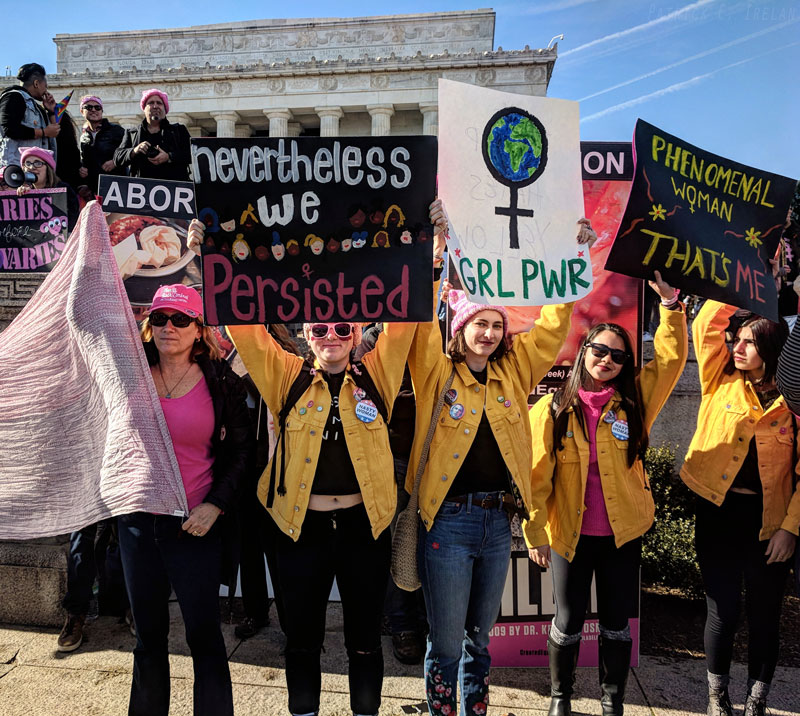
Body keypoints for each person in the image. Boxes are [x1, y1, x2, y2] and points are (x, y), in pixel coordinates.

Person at [186, 211, 425, 716]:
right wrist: (212, 255)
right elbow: (245, 326)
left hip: (366, 527)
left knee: (364, 639)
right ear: (308, 331)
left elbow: (404, 322)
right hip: (298, 529)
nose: (333, 334)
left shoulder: (377, 373)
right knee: (301, 639)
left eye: (344, 326)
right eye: (322, 326)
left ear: (358, 329)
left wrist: (429, 243)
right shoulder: (287, 375)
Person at [405, 209, 595, 716]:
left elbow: (554, 328)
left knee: (479, 643)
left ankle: (476, 711)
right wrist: (435, 251)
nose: (487, 333)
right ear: (461, 327)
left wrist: (574, 256)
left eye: (495, 324)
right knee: (446, 645)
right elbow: (419, 323)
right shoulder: (434, 373)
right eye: (478, 323)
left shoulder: (515, 371)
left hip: (496, 523)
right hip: (446, 522)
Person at [525, 272, 687, 716]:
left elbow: (671, 361)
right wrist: (535, 530)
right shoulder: (553, 408)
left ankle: (612, 698)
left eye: (618, 354)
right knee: (567, 621)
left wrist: (671, 308)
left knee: (616, 623)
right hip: (569, 535)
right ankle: (561, 697)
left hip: (623, 533)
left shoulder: (635, 401)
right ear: (584, 353)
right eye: (599, 350)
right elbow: (537, 476)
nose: (607, 359)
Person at [118, 284, 252, 716]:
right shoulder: (129, 371)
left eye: (179, 320)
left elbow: (242, 451)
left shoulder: (220, 381)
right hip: (138, 524)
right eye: (159, 318)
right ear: (148, 325)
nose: (168, 328)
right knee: (148, 639)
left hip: (194, 526)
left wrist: (216, 504)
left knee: (204, 637)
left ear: (199, 329)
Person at [682, 299, 799, 716]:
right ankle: (717, 698)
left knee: (766, 613)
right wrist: (741, 278)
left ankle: (757, 702)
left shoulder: (794, 402)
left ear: (771, 347)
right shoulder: (720, 377)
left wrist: (790, 528)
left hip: (770, 523)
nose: (738, 347)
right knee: (723, 608)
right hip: (718, 513)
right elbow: (706, 324)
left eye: (750, 342)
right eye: (738, 339)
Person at [114, 89, 191, 181]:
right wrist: (134, 151)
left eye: (159, 103)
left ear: (165, 109)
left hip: (173, 187)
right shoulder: (132, 133)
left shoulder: (179, 131)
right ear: (144, 109)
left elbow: (192, 154)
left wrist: (169, 156)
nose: (155, 106)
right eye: (150, 103)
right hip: (141, 189)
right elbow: (117, 158)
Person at [0, 63, 59, 166]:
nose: (46, 90)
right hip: (15, 169)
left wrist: (50, 111)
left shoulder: (36, 107)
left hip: (34, 169)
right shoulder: (14, 97)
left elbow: (53, 133)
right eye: (45, 86)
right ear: (36, 83)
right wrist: (43, 132)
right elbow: (9, 128)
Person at [16, 147, 79, 232]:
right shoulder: (25, 191)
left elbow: (73, 219)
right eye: (28, 163)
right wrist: (21, 196)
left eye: (37, 163)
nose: (32, 167)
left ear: (48, 168)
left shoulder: (63, 189)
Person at [78, 95, 125, 196]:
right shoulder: (84, 137)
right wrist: (83, 171)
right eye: (89, 107)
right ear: (82, 111)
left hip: (116, 187)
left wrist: (115, 162)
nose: (94, 110)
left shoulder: (116, 130)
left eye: (97, 107)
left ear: (101, 111)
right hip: (95, 190)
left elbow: (129, 152)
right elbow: (86, 163)